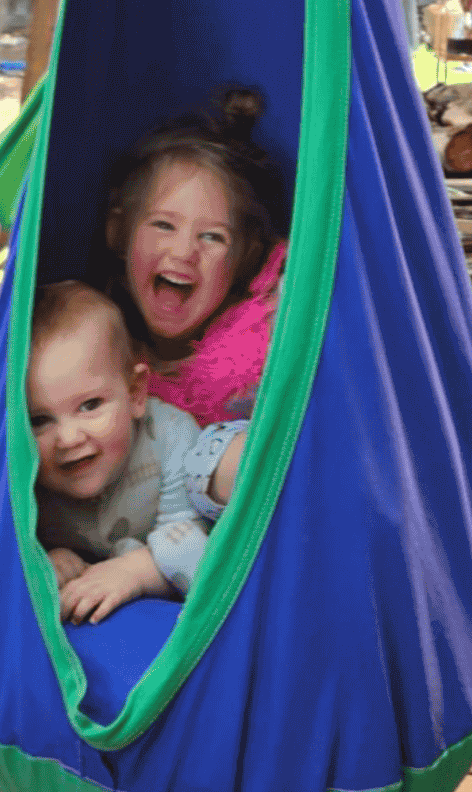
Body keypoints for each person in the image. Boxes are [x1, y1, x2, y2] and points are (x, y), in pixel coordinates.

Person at [103, 88, 288, 519]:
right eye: (163, 225)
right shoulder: (93, 338)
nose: (184, 251)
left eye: (213, 236)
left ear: (245, 259)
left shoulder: (267, 347)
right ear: (119, 234)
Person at [27, 281, 244, 624]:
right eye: (40, 420)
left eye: (90, 405)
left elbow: (197, 551)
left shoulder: (172, 437)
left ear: (135, 393)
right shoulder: (29, 474)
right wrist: (53, 557)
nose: (67, 439)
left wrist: (138, 570)